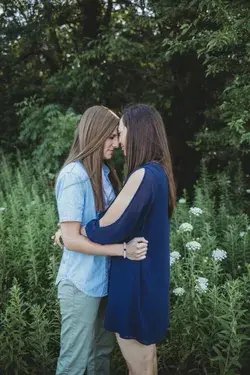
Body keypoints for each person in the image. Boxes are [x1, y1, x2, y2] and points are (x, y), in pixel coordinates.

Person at [80, 104, 176, 375]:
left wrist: (80, 230)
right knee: (147, 362)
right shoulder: (159, 173)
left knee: (140, 367)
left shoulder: (143, 175)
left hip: (136, 284)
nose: (119, 141)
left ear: (136, 132)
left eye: (120, 132)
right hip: (151, 282)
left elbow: (108, 228)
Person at [54, 105, 148, 375]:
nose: (117, 143)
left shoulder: (105, 175)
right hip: (81, 284)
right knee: (75, 363)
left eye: (117, 136)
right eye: (111, 137)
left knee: (101, 356)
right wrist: (122, 251)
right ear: (95, 135)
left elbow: (98, 227)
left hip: (104, 281)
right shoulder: (74, 176)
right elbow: (72, 239)